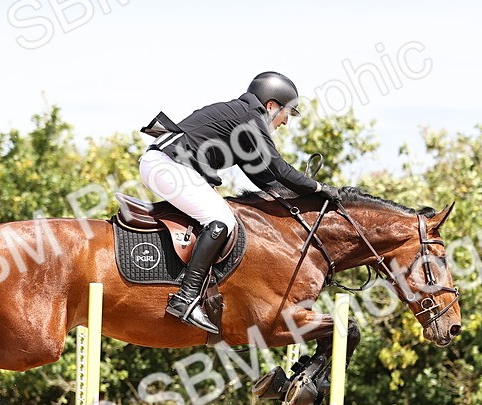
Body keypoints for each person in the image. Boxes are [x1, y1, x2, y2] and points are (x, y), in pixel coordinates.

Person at [139, 71, 342, 334]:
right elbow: (278, 167)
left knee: (219, 216)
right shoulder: (250, 118)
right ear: (271, 106)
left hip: (166, 164)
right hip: (167, 165)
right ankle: (186, 297)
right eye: (287, 114)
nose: (285, 123)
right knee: (221, 219)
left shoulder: (242, 119)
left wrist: (292, 198)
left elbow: (261, 175)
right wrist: (318, 187)